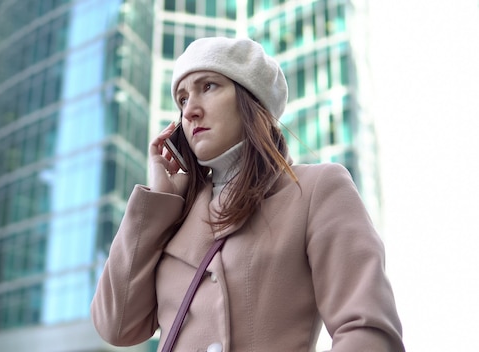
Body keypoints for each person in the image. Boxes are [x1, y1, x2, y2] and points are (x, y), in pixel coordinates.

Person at [91, 37, 404, 352]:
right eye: (183, 99)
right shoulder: (176, 214)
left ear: (251, 99)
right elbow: (115, 325)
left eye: (208, 86)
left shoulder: (315, 189)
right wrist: (157, 202)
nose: (191, 111)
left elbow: (367, 330)